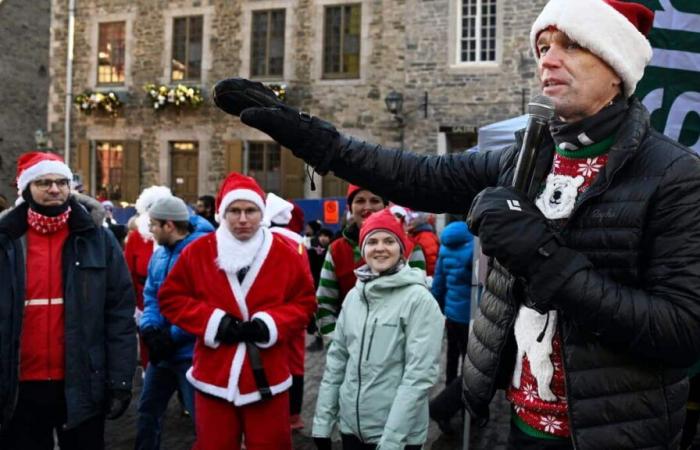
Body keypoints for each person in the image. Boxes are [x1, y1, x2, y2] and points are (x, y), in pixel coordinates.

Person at [232, 0, 700, 448]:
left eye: (571, 45)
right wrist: (316, 140)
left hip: (616, 433)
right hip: (521, 424)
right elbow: (414, 174)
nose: (549, 61)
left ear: (617, 69)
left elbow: (681, 330)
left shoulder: (674, 175)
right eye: (543, 47)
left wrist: (543, 258)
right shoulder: (524, 157)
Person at [157, 172, 316, 449]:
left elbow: (304, 303)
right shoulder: (198, 251)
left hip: (268, 374)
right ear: (222, 213)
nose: (243, 219)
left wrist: (270, 324)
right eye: (235, 211)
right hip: (214, 373)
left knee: (271, 444)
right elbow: (171, 298)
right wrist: (214, 323)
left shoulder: (286, 254)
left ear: (262, 213)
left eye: (250, 210)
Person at [0, 152, 136, 449]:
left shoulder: (97, 239)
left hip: (82, 382)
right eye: (44, 182)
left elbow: (119, 314)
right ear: (25, 189)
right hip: (19, 384)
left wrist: (121, 381)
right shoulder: (6, 240)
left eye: (61, 182)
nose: (54, 189)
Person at [312, 208, 444, 450]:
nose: (380, 248)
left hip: (397, 437)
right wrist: (322, 422)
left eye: (388, 241)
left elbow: (418, 377)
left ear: (401, 248)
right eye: (372, 241)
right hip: (351, 429)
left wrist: (392, 441)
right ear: (363, 249)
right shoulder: (354, 297)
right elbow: (337, 359)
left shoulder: (419, 301)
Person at [136, 196, 214, 450]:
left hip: (192, 355)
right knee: (147, 412)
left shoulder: (203, 254)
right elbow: (152, 297)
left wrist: (172, 336)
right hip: (162, 354)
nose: (150, 230)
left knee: (203, 423)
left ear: (169, 225)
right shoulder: (159, 256)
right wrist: (149, 329)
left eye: (154, 225)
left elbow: (204, 303)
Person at [316, 185, 426, 337]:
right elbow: (325, 304)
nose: (367, 207)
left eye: (375, 200)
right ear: (350, 207)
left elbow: (420, 307)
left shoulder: (412, 249)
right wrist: (337, 346)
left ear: (386, 206)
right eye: (360, 201)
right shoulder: (336, 250)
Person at [428, 220, 474, 433]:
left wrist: (437, 308)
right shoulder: (475, 245)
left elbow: (439, 283)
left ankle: (448, 389)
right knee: (471, 364)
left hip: (451, 313)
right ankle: (463, 404)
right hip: (471, 316)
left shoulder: (445, 247)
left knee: (452, 356)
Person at [125, 185, 173, 370]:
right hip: (143, 299)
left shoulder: (177, 236)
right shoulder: (137, 237)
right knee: (148, 338)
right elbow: (128, 271)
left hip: (173, 299)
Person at [405, 211, 440, 277]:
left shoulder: (425, 236)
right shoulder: (415, 234)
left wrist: (428, 278)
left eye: (412, 219)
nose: (409, 221)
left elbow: (431, 262)